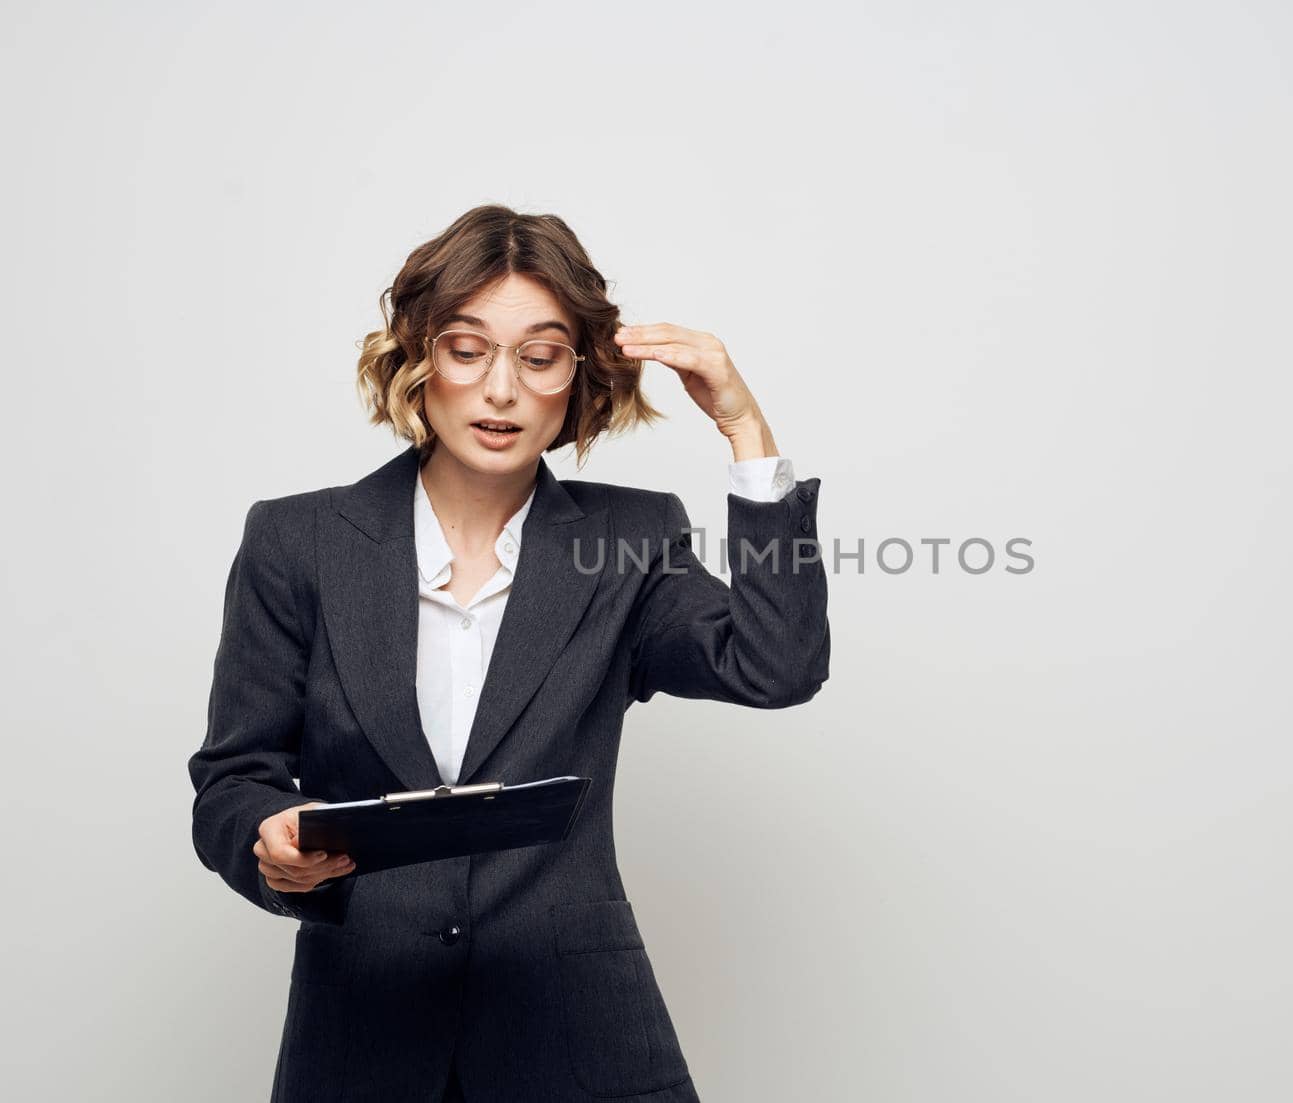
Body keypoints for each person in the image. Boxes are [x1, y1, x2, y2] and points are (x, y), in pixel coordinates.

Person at [187, 205, 830, 1102]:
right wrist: (266, 839)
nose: (501, 391)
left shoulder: (630, 541)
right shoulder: (297, 541)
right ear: (418, 357)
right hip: (363, 1034)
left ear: (575, 375)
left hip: (580, 1037)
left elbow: (777, 663)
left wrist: (745, 432)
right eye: (467, 349)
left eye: (538, 356)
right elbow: (233, 775)